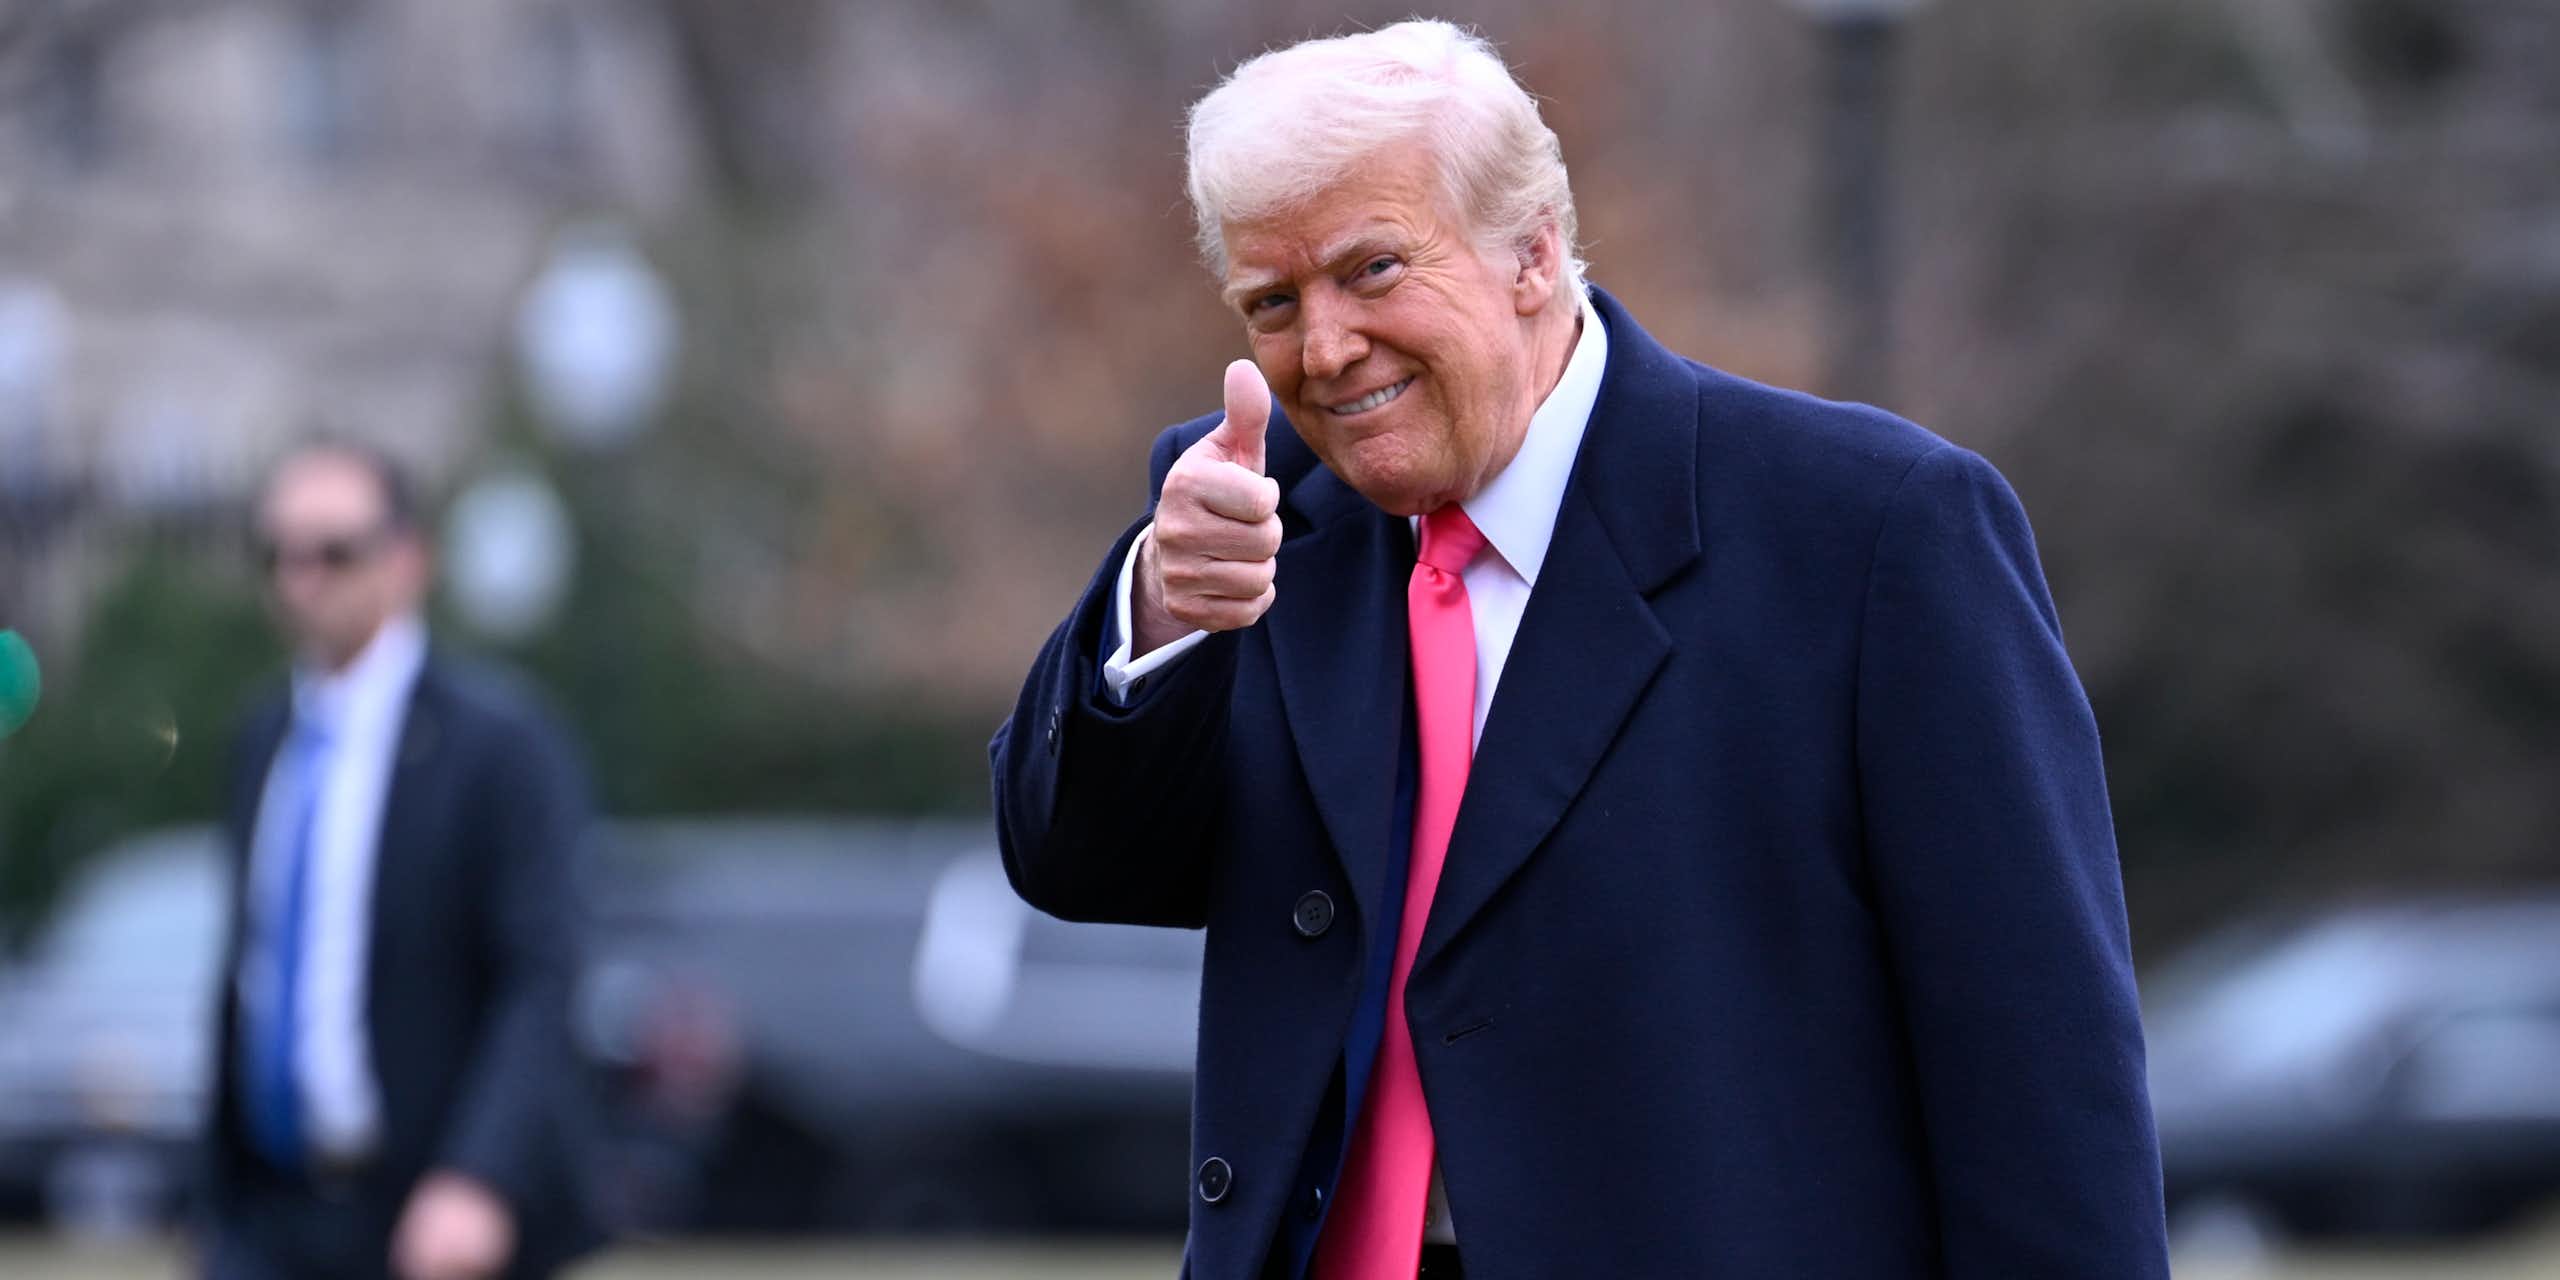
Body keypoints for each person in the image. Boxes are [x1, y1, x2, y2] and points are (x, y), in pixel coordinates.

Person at [991, 20, 2168, 1279]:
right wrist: (1161, 608)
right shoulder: (1246, 512)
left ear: (1533, 254)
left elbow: (2036, 1064)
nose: (1323, 348)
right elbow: (1079, 862)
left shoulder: (1871, 530)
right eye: (1273, 302)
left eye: (1373, 270)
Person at [201, 440, 600, 1280]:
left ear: (407, 557)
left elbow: (543, 974)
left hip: (430, 1214)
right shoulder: (263, 737)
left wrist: (480, 1174)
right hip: (275, 1215)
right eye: (279, 552)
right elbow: (255, 969)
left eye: (333, 551)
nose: (301, 577)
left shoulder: (499, 743)